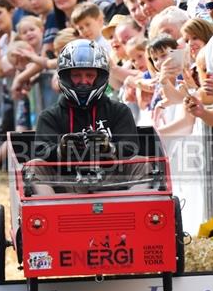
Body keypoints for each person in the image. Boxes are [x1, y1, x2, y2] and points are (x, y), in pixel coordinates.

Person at [28, 39, 150, 195]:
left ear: (100, 76)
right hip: (65, 183)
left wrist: (108, 147)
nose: (83, 81)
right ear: (65, 77)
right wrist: (61, 150)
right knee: (34, 166)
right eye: (76, 75)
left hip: (113, 182)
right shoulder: (50, 115)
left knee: (142, 163)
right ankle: (49, 213)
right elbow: (41, 153)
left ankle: (136, 208)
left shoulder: (119, 111)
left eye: (90, 75)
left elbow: (131, 149)